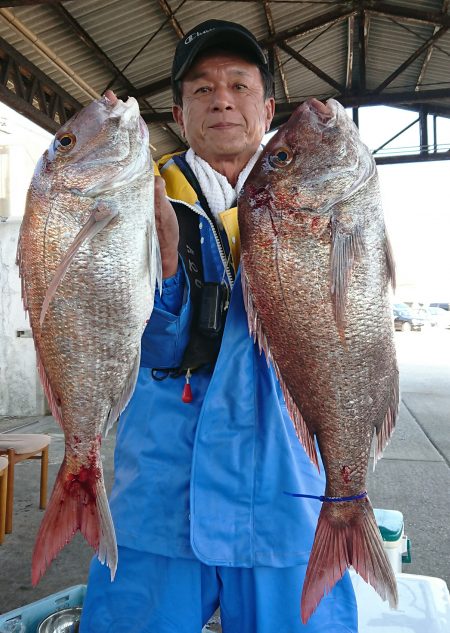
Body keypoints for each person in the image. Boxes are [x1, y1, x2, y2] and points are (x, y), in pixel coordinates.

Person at [80, 20, 357, 633]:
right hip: (157, 494)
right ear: (180, 113)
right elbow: (121, 340)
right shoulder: (135, 195)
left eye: (239, 84)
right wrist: (169, 278)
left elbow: (350, 331)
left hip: (287, 494)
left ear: (268, 106)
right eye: (202, 90)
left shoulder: (318, 192)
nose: (222, 99)